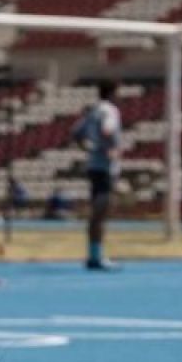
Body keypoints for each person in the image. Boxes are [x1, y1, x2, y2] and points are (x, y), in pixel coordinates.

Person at [72, 82, 123, 271]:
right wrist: (110, 148)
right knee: (101, 211)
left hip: (93, 165)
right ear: (112, 94)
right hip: (105, 167)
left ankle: (94, 253)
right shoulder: (109, 110)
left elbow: (76, 133)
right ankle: (96, 256)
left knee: (97, 212)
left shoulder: (92, 111)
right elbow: (107, 129)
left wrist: (88, 148)